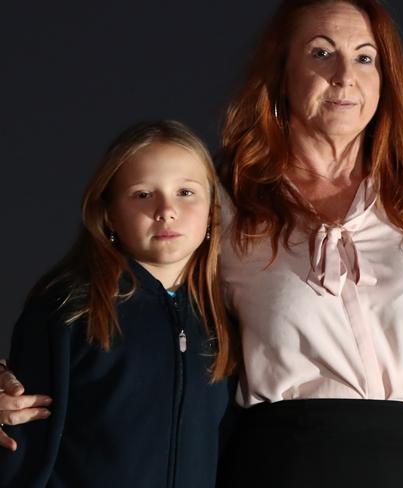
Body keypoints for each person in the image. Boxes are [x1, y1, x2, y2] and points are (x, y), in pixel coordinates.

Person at [2, 1, 403, 486]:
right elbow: (130, 298)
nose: (345, 74)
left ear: (385, 77)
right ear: (281, 74)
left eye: (364, 56)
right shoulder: (225, 198)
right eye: (320, 53)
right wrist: (19, 377)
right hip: (279, 464)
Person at [0, 120, 235, 487]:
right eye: (143, 194)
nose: (166, 210)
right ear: (109, 213)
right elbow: (21, 440)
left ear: (213, 211)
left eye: (186, 193)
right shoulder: (69, 306)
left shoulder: (225, 314)